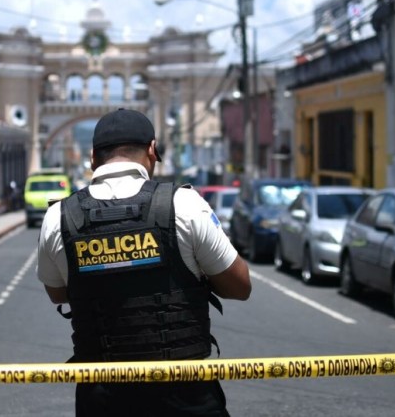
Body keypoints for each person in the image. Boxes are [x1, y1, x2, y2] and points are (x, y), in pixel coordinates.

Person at [37, 108, 252, 416]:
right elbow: (240, 286)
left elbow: (58, 293)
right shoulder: (183, 204)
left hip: (103, 398)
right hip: (185, 395)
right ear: (153, 150)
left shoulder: (59, 216)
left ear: (93, 158)